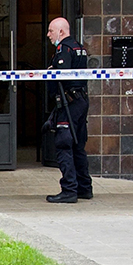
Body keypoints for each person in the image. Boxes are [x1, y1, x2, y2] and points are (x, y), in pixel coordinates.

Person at [43, 16, 93, 203]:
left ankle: (69, 190)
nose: (48, 34)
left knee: (64, 145)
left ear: (61, 32)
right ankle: (84, 188)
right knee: (78, 146)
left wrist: (51, 70)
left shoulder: (64, 49)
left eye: (51, 31)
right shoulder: (79, 47)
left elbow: (61, 76)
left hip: (69, 103)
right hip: (80, 101)